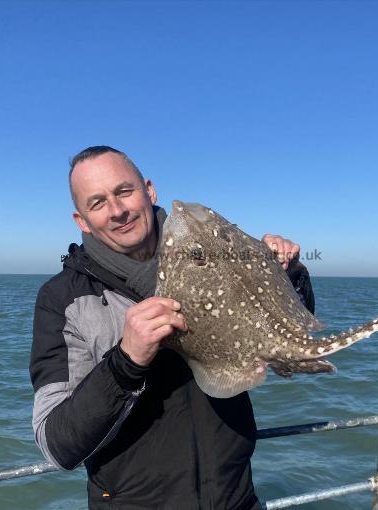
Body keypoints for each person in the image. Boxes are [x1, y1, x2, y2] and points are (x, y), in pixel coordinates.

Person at [29, 146, 316, 509]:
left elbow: (287, 344)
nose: (117, 211)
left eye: (124, 191)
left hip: (236, 498)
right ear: (81, 220)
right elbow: (56, 444)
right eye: (98, 203)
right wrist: (125, 362)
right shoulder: (62, 300)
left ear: (149, 191)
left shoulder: (215, 251)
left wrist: (284, 273)